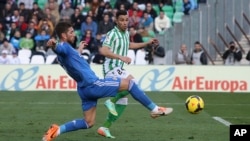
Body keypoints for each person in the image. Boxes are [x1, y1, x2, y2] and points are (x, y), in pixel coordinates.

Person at [42, 21, 173, 141]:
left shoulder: (66, 53)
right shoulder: (63, 47)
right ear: (63, 35)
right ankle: (155, 109)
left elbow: (71, 56)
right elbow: (59, 48)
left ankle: (57, 130)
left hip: (83, 90)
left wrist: (80, 49)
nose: (73, 34)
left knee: (88, 122)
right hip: (93, 84)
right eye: (70, 32)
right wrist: (54, 44)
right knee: (130, 83)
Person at [97, 10, 168, 138]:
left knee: (123, 102)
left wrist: (147, 43)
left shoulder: (125, 33)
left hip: (119, 67)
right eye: (122, 20)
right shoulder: (112, 34)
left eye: (126, 20)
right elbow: (104, 50)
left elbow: (129, 45)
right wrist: (121, 57)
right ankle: (154, 109)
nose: (125, 22)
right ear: (116, 21)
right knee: (132, 84)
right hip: (111, 68)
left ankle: (104, 127)